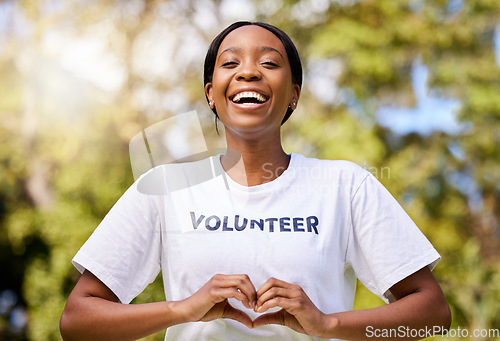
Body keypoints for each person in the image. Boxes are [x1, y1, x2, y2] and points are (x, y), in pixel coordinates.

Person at [60, 21, 451, 341]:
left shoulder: (345, 185)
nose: (248, 71)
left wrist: (326, 323)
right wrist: (183, 309)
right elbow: (77, 320)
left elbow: (433, 313)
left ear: (293, 95)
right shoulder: (163, 187)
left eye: (269, 62)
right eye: (230, 63)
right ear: (212, 94)